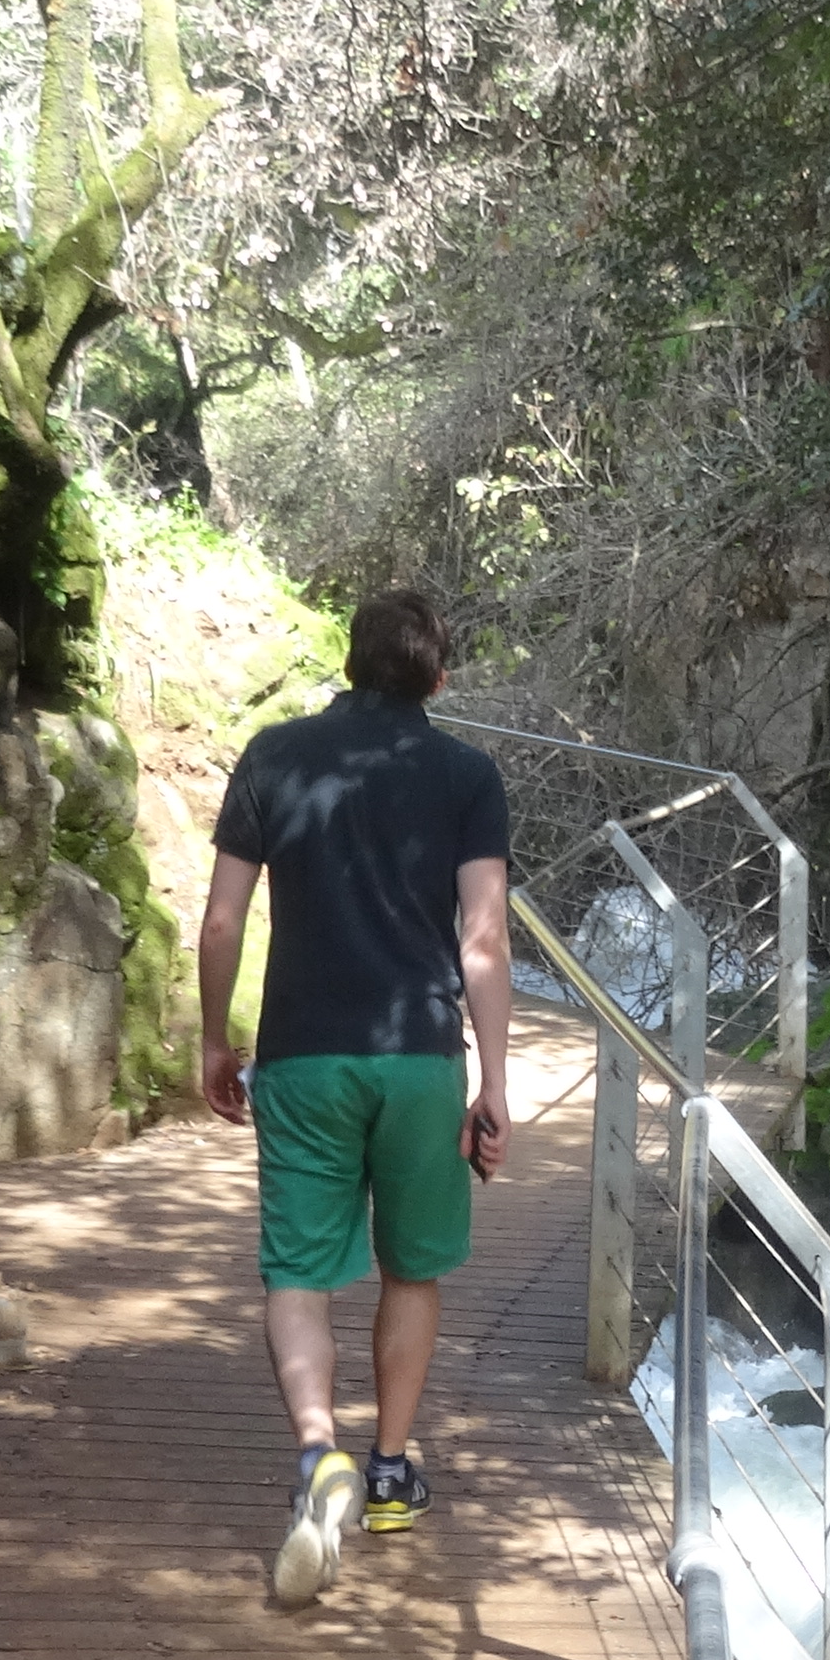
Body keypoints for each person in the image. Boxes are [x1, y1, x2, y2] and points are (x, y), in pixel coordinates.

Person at [197, 587, 515, 1605]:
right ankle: (388, 1470)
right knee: (411, 1269)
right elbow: (484, 940)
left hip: (302, 1057)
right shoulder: (469, 775)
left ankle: (315, 1453)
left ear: (348, 661)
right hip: (420, 1058)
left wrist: (215, 1039)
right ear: (439, 677)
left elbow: (220, 921)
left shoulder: (273, 754)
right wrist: (495, 1086)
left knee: (298, 1270)